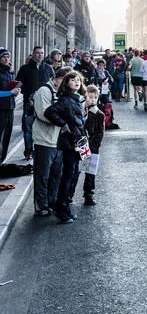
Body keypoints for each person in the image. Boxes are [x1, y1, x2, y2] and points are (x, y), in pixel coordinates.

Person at [44, 71, 87, 223]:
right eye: (72, 80)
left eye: (78, 80)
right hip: (70, 142)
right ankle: (60, 207)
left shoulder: (78, 99)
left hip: (79, 141)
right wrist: (63, 124)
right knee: (69, 174)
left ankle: (65, 206)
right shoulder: (66, 100)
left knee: (74, 173)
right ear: (66, 83)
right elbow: (49, 112)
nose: (76, 82)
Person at [32, 67, 71, 216]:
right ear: (58, 78)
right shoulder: (44, 91)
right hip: (44, 138)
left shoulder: (61, 92)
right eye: (66, 81)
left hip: (58, 139)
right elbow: (43, 114)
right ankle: (41, 205)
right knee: (43, 174)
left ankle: (51, 200)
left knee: (56, 174)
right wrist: (64, 120)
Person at [16, 46, 54, 160]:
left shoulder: (48, 68)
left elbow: (53, 83)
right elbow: (19, 84)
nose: (40, 55)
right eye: (37, 53)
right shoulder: (24, 68)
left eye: (42, 53)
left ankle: (40, 150)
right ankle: (28, 151)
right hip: (29, 102)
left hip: (45, 103)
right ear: (33, 54)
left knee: (43, 126)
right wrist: (27, 92)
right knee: (28, 128)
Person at [81, 85, 105, 205]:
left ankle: (89, 194)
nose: (93, 99)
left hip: (92, 146)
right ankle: (68, 195)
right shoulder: (80, 110)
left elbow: (100, 133)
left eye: (95, 97)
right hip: (80, 145)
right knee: (76, 171)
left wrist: (93, 146)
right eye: (90, 97)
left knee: (90, 172)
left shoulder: (99, 114)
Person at [0, 50, 21, 164]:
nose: (7, 59)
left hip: (10, 106)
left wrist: (17, 90)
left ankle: (3, 159)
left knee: (7, 135)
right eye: (4, 57)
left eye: (8, 56)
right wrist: (10, 92)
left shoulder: (11, 72)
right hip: (1, 108)